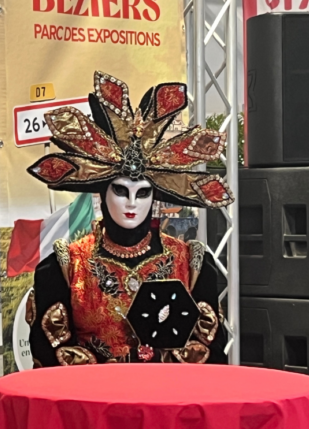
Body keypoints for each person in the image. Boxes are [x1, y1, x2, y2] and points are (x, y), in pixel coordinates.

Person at [26, 71, 231, 366]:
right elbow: (50, 351)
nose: (132, 203)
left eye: (144, 193)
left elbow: (210, 350)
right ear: (102, 193)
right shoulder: (66, 267)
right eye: (121, 191)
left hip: (169, 405)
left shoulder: (191, 263)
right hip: (96, 406)